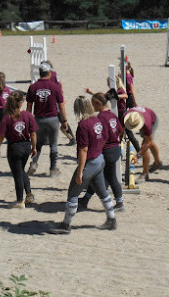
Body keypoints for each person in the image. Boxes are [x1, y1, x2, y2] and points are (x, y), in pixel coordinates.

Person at [49, 96, 117, 234]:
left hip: (90, 163)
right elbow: (105, 138)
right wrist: (97, 149)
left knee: (72, 194)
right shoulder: (97, 120)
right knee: (102, 192)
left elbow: (83, 150)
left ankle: (66, 225)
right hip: (99, 159)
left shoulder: (83, 125)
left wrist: (80, 171)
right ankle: (111, 219)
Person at [79, 92, 124, 212]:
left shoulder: (101, 118)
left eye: (93, 104)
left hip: (107, 150)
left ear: (98, 104)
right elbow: (120, 130)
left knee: (107, 177)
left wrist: (96, 150)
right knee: (105, 177)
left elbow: (103, 137)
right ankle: (86, 200)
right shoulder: (112, 115)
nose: (92, 107)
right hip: (115, 148)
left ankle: (119, 203)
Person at [0, 91, 38, 208]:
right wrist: (34, 147)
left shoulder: (7, 117)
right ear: (21, 103)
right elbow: (33, 133)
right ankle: (29, 194)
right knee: (21, 170)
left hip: (14, 147)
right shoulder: (28, 115)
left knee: (17, 173)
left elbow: (1, 136)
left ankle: (20, 201)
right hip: (26, 146)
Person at [26, 62, 68, 177]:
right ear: (49, 73)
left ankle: (34, 163)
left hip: (38, 119)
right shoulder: (55, 87)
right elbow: (61, 105)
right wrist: (64, 121)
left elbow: (29, 106)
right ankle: (53, 169)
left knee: (38, 144)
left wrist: (28, 121)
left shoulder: (33, 87)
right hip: (52, 119)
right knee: (53, 145)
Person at [122, 106, 162, 183]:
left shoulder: (146, 124)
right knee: (149, 142)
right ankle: (158, 163)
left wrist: (137, 155)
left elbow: (149, 142)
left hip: (152, 119)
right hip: (144, 115)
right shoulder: (126, 117)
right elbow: (121, 130)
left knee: (145, 144)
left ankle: (145, 174)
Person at [43, 60, 76, 146]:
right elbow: (59, 85)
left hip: (54, 99)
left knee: (60, 119)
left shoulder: (50, 75)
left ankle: (72, 138)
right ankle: (46, 139)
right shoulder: (54, 74)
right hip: (56, 98)